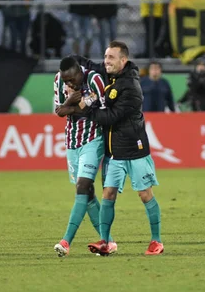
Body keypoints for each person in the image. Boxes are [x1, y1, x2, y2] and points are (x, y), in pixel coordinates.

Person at [69, 41, 164, 256]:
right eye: (106, 56)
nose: (106, 61)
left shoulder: (131, 87)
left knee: (145, 194)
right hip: (114, 152)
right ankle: (105, 241)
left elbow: (111, 117)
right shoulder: (112, 74)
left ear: (123, 60)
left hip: (135, 149)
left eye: (111, 57)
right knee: (108, 193)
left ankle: (156, 241)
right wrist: (74, 59)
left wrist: (85, 107)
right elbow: (94, 66)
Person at [52, 57, 117, 256]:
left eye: (72, 80)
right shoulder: (58, 80)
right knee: (87, 194)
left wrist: (72, 108)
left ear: (80, 72)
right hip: (71, 142)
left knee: (82, 187)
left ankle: (66, 241)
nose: (69, 84)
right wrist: (73, 102)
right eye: (66, 81)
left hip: (93, 140)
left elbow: (99, 110)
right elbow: (59, 111)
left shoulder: (95, 79)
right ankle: (108, 242)